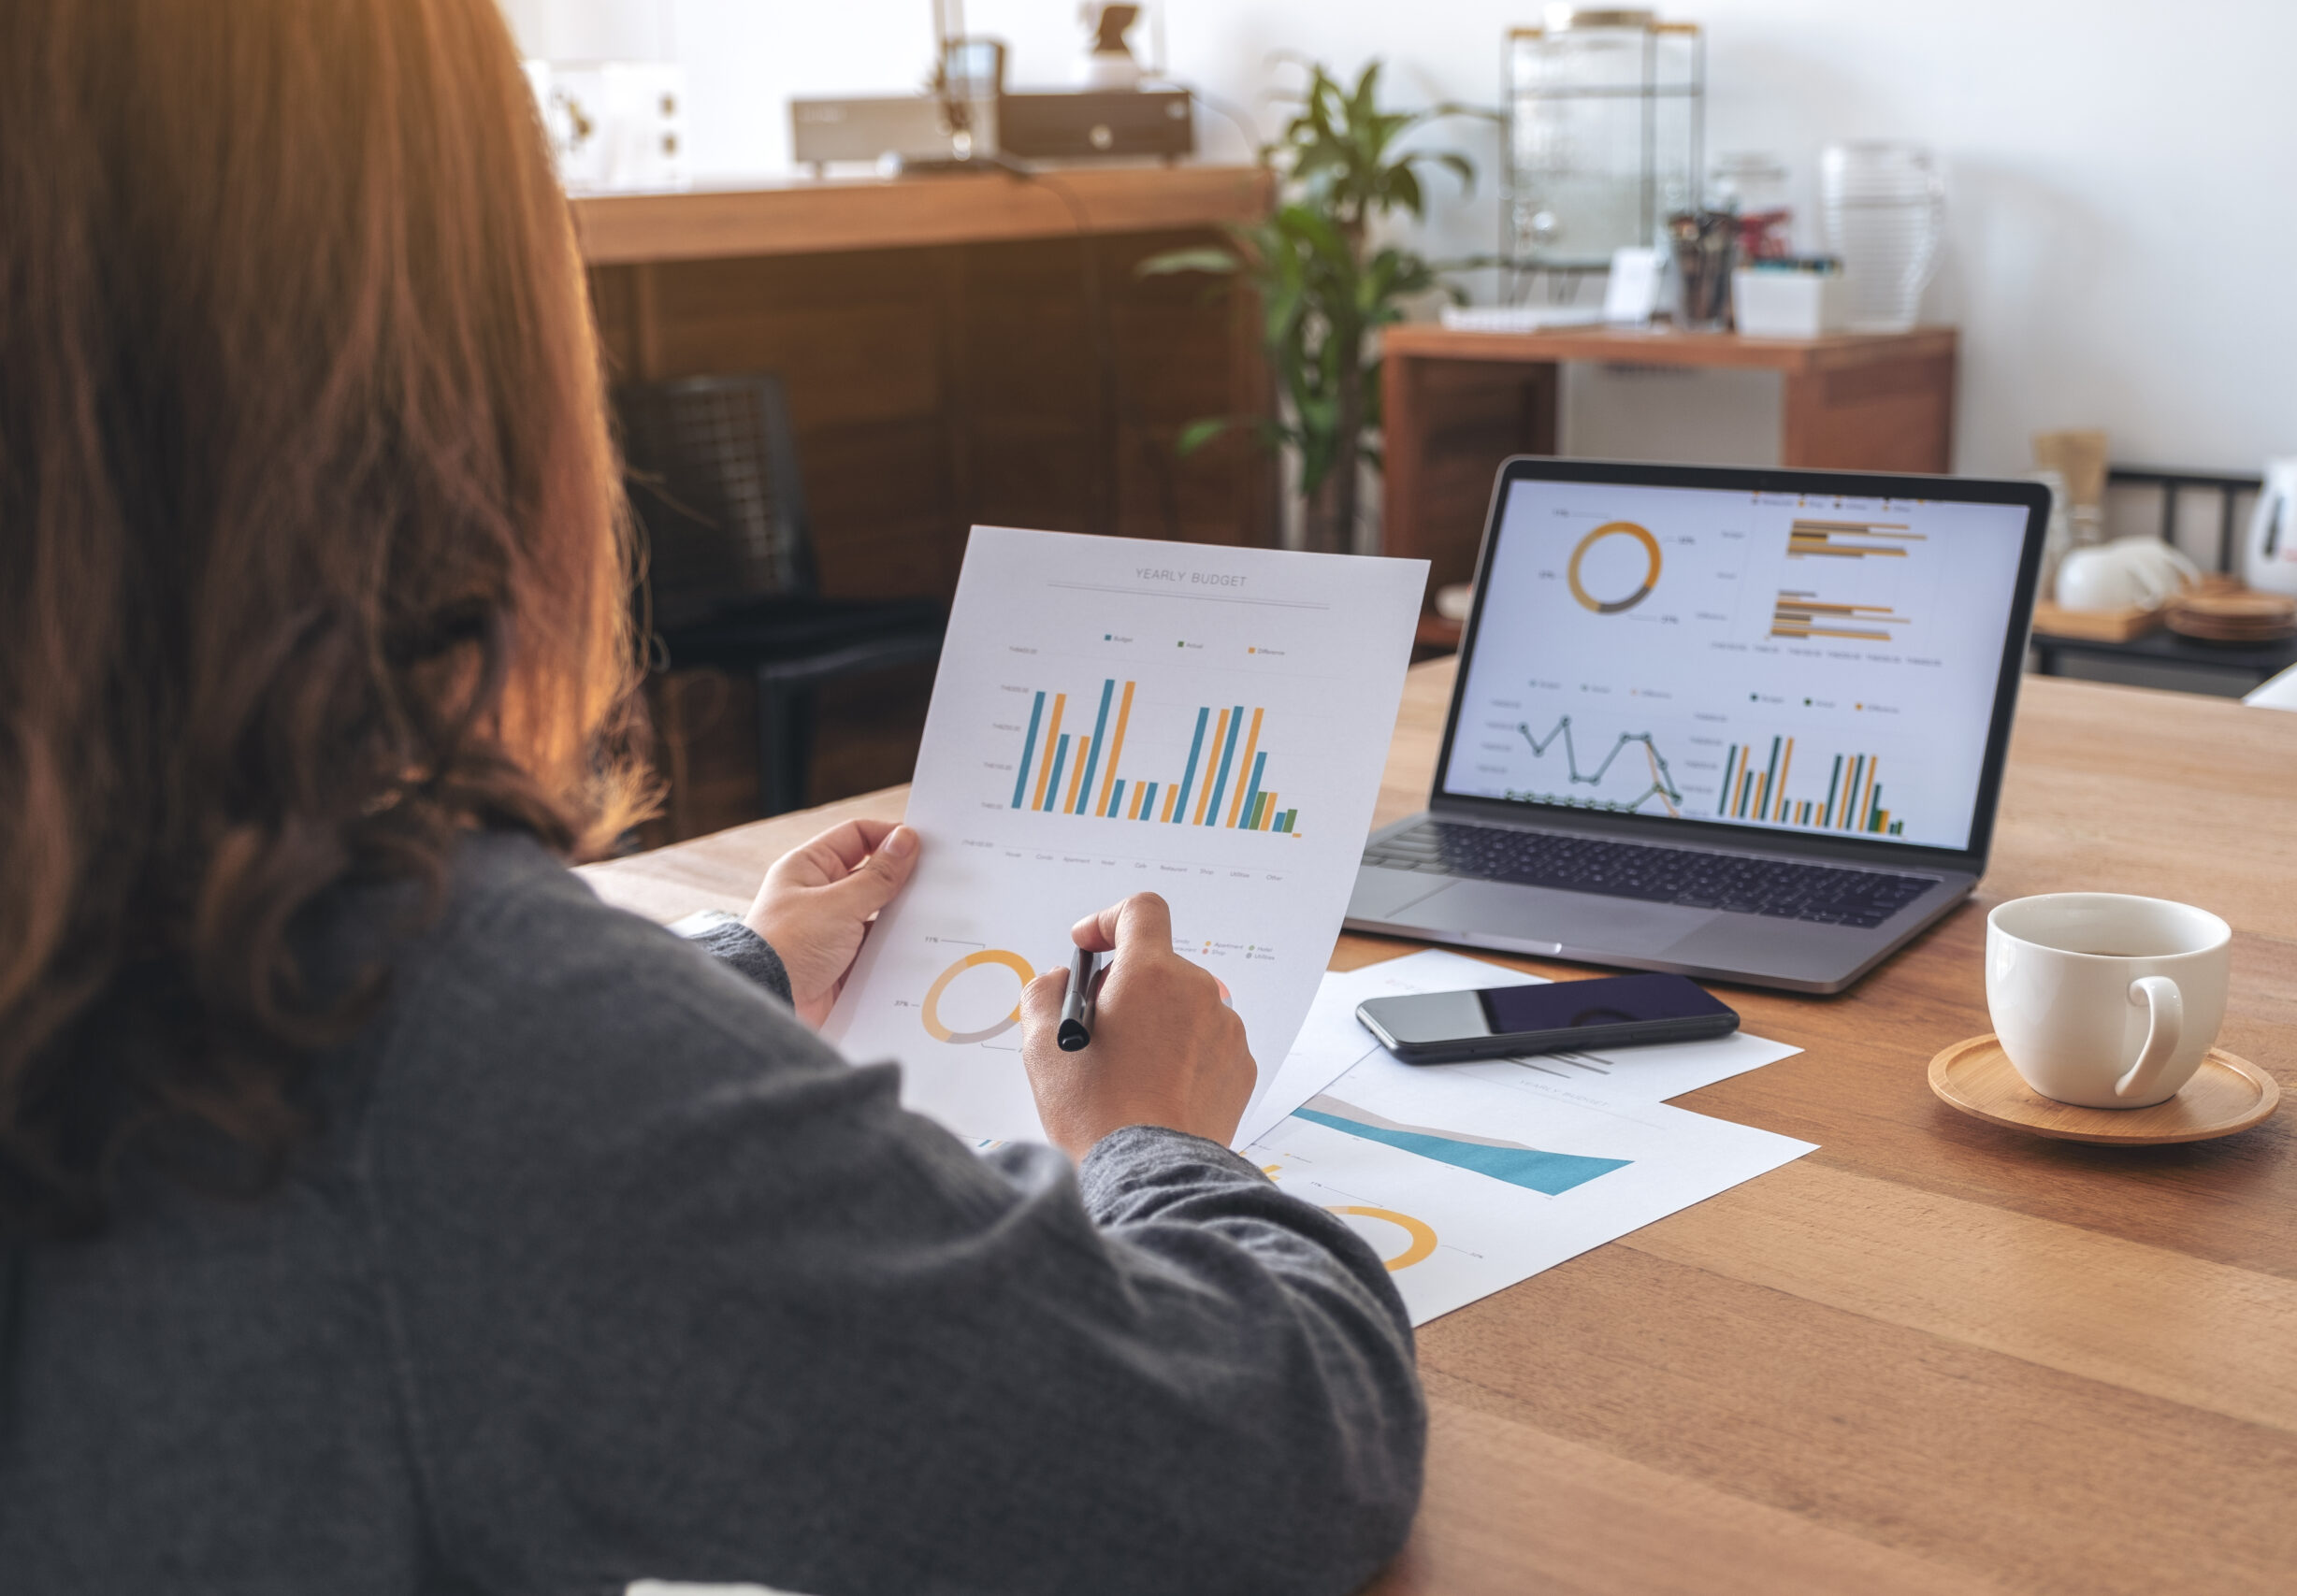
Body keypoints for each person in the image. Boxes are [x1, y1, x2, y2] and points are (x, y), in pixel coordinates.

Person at [0, 2, 1425, 1591]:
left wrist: (738, 975)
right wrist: (1158, 1140)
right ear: (466, 350)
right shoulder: (444, 1049)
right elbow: (1275, 1452)